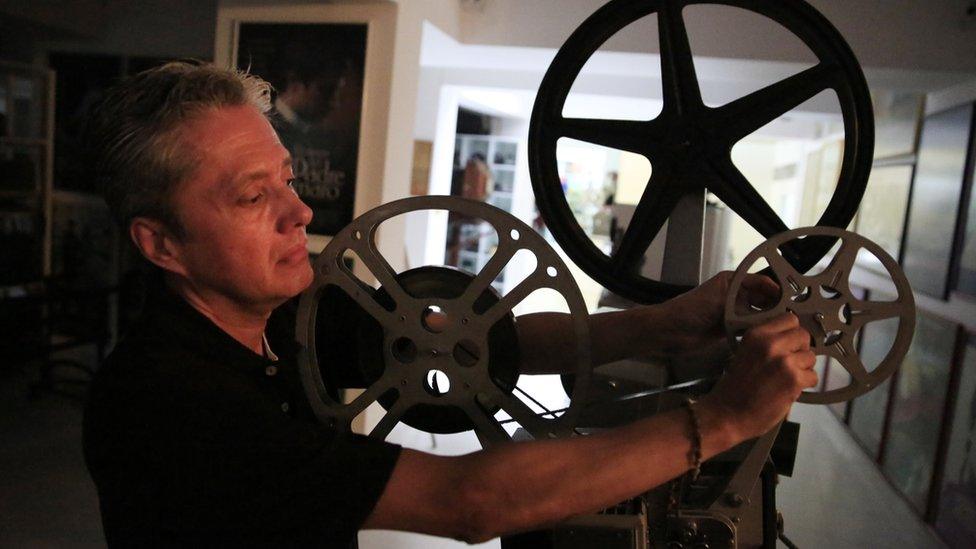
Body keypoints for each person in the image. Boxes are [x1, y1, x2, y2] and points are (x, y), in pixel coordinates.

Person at [82, 61, 817, 547]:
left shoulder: (289, 311)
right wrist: (721, 420)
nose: (299, 213)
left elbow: (478, 346)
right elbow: (466, 501)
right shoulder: (162, 403)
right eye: (252, 197)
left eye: (286, 179)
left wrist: (672, 320)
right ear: (161, 244)